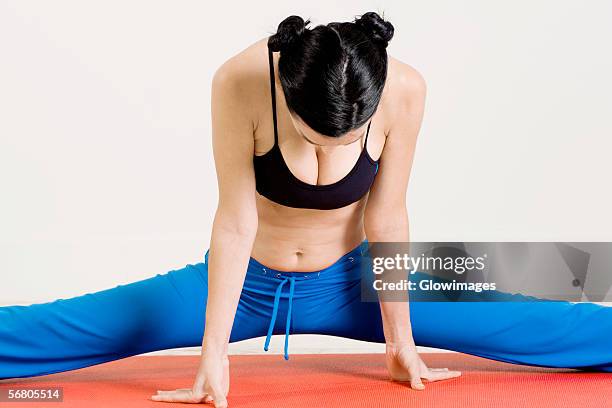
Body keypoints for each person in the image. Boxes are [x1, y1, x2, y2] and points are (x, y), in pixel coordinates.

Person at [1, 12, 611, 408]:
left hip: (358, 277)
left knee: (544, 309)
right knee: (62, 328)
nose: (332, 151)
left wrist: (401, 341)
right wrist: (211, 354)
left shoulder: (406, 89)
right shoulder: (238, 81)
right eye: (315, 136)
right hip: (247, 284)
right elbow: (235, 221)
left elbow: (389, 216)